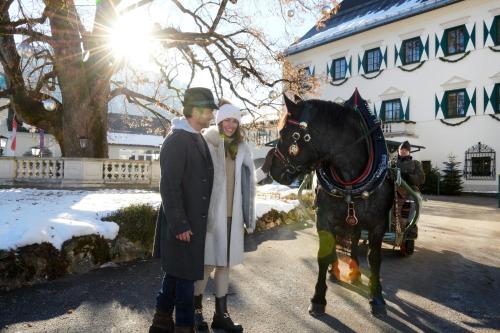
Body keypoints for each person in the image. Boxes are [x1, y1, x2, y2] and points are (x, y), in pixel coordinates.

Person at [150, 87, 217, 333]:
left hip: (192, 224)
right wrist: (180, 224)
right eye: (208, 109)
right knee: (186, 280)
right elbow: (169, 187)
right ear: (195, 110)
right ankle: (183, 326)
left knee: (177, 275)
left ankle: (160, 322)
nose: (211, 113)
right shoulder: (177, 139)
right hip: (182, 224)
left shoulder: (196, 136)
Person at [193, 100, 256, 332]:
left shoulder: (242, 148)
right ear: (219, 121)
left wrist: (268, 168)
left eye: (234, 121)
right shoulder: (208, 142)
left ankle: (221, 314)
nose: (230, 125)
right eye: (226, 120)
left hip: (234, 215)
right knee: (207, 264)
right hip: (211, 214)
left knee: (225, 265)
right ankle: (196, 311)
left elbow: (250, 179)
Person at [392, 140, 425, 239]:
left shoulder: (415, 163)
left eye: (405, 150)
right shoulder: (392, 162)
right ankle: (389, 222)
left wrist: (409, 176)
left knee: (414, 201)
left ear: (409, 151)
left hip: (410, 188)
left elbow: (421, 178)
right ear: (398, 151)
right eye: (401, 150)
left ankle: (409, 225)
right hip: (394, 187)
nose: (403, 152)